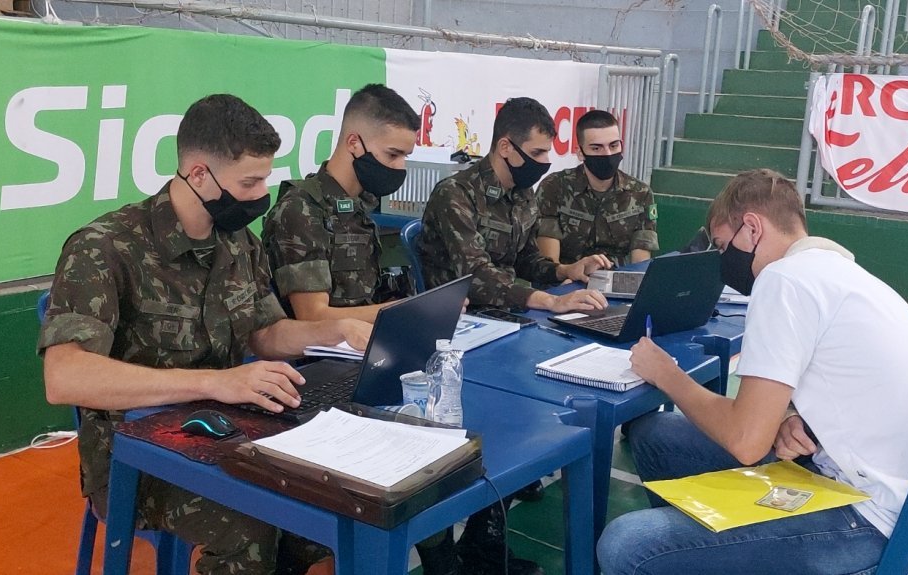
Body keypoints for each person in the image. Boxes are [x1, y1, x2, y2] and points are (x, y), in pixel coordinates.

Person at [38, 94, 374, 575]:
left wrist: (332, 330)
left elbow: (264, 332)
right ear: (199, 174)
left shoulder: (238, 243)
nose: (260, 196)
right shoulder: (105, 247)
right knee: (253, 531)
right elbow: (64, 376)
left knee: (328, 509)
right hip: (134, 456)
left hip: (228, 426)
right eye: (249, 182)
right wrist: (214, 382)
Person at [597, 169, 908, 575]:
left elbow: (746, 441)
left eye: (723, 247)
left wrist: (666, 374)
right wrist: (794, 418)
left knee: (628, 545)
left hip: (880, 522)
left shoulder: (784, 280)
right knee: (656, 435)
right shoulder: (840, 273)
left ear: (752, 228)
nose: (724, 263)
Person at [419, 96, 611, 313]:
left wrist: (566, 271)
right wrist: (551, 301)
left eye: (547, 151)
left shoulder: (522, 190)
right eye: (537, 153)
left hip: (506, 308)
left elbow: (526, 259)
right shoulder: (456, 194)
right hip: (460, 314)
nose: (545, 161)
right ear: (505, 147)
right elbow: (475, 275)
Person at [262, 83, 418, 324]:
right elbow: (313, 316)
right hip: (318, 356)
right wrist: (403, 310)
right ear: (354, 143)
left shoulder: (364, 204)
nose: (400, 167)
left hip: (368, 342)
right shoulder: (301, 210)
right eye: (392, 154)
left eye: (405, 157)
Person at [536, 109, 658, 267]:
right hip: (567, 281)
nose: (607, 154)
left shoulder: (640, 193)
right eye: (596, 148)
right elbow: (550, 264)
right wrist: (566, 281)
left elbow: (640, 262)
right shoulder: (554, 187)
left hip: (616, 282)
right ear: (580, 153)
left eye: (614, 146)